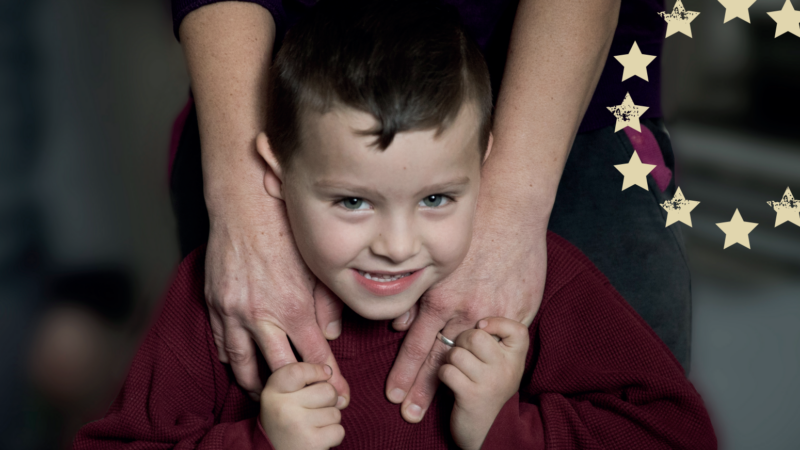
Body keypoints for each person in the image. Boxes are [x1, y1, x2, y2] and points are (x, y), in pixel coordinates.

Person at [74, 2, 715, 448]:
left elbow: (675, 436)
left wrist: (510, 430)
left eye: (437, 198)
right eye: (352, 202)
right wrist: (259, 443)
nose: (398, 247)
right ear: (274, 168)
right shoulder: (210, 303)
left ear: (485, 163)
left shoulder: (561, 281)